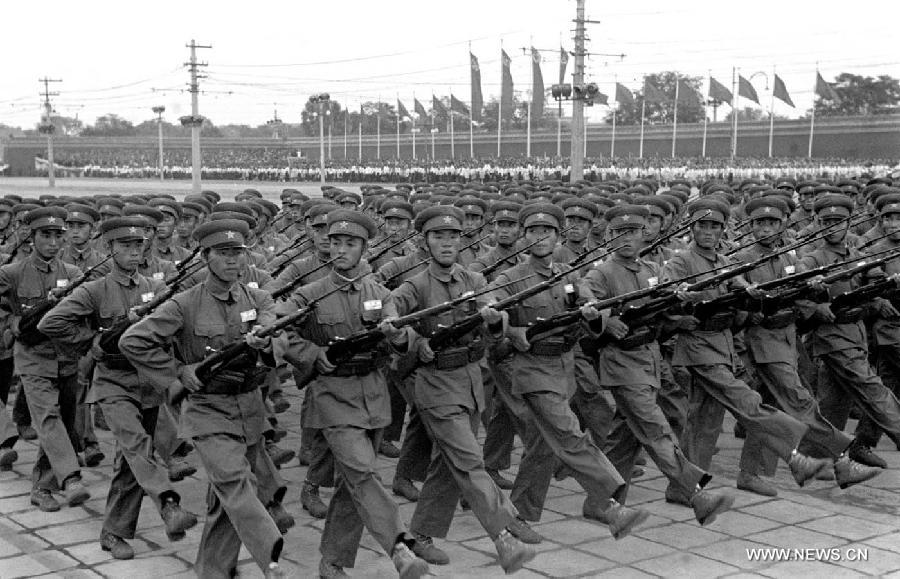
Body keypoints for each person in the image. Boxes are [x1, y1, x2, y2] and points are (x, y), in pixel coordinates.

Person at [119, 218, 288, 578]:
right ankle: (270, 556)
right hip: (207, 409)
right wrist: (178, 371)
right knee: (237, 482)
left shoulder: (257, 298)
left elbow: (277, 330)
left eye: (237, 254)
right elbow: (132, 341)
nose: (232, 262)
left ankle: (212, 569)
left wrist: (266, 341)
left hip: (249, 408)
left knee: (226, 499)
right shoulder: (184, 304)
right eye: (223, 254)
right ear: (206, 257)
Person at [280, 209, 430, 579]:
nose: (341, 250)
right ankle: (399, 545)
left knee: (352, 486)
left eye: (350, 244)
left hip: (373, 397)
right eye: (335, 243)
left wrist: (397, 335)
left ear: (365, 248)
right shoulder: (309, 295)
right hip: (332, 397)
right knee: (363, 474)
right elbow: (279, 331)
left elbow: (404, 340)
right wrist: (313, 355)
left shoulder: (380, 294)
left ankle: (332, 561)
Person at [38, 216, 199, 560]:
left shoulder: (156, 290)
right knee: (138, 445)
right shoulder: (94, 290)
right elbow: (50, 322)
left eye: (138, 245)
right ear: (108, 248)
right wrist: (91, 340)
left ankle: (112, 532)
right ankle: (169, 505)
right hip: (113, 383)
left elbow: (176, 330)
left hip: (149, 384)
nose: (132, 252)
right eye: (124, 245)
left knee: (129, 463)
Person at [660, 198, 834, 505]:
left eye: (715, 226)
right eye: (702, 226)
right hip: (699, 347)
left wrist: (750, 295)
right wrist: (685, 296)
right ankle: (796, 453)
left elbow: (740, 291)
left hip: (724, 345)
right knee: (748, 403)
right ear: (692, 228)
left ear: (723, 229)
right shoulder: (681, 261)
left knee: (705, 420)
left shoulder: (725, 262)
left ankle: (682, 486)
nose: (708, 232)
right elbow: (668, 293)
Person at [391, 205, 536, 572]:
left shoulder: (473, 279)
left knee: (447, 464)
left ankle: (420, 536)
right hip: (436, 386)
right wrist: (397, 329)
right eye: (438, 237)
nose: (446, 243)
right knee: (470, 461)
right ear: (425, 243)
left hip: (470, 383)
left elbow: (492, 305)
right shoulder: (416, 285)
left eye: (453, 236)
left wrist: (493, 317)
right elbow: (394, 311)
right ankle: (504, 533)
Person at [490, 203, 649, 537]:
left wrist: (593, 314)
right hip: (532, 369)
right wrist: (509, 330)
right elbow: (491, 315)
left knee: (542, 446)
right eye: (533, 231)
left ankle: (515, 520)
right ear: (524, 236)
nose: (539, 237)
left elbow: (589, 306)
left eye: (546, 231)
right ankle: (611, 502)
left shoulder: (568, 274)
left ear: (556, 235)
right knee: (571, 435)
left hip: (563, 368)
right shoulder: (511, 278)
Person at [0, 206, 90, 512]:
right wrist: (13, 324)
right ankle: (71, 478)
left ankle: (42, 487)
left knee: (64, 423)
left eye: (57, 236)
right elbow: (3, 313)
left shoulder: (74, 274)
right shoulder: (11, 273)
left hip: (66, 358)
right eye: (45, 235)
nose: (52, 242)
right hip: (32, 358)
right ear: (32, 237)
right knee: (48, 418)